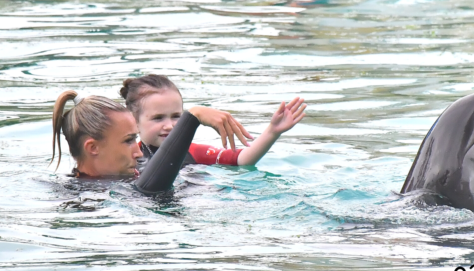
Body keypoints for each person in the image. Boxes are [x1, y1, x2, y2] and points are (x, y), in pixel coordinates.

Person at [49, 91, 253, 194]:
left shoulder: (135, 171)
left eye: (135, 138)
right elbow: (149, 190)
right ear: (93, 148)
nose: (138, 153)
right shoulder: (83, 199)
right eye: (128, 141)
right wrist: (191, 119)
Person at [119, 74, 307, 167]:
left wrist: (273, 131)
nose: (169, 125)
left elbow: (241, 160)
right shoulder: (127, 159)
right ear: (134, 122)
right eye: (158, 118)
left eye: (177, 116)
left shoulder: (192, 152)